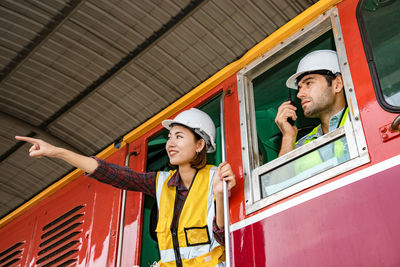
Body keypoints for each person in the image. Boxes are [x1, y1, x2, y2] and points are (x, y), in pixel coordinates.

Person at [16, 108, 235, 267]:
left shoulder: (216, 177)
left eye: (179, 137)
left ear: (200, 145)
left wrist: (219, 194)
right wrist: (57, 152)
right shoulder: (159, 182)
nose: (170, 143)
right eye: (169, 137)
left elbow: (226, 239)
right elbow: (111, 173)